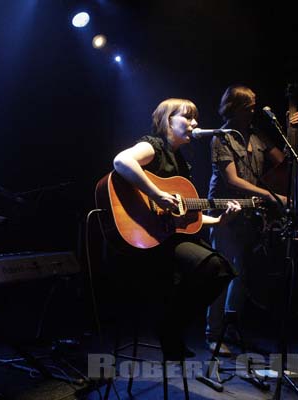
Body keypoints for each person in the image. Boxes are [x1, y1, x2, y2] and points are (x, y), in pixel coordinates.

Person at [112, 98, 241, 360]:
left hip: (169, 238)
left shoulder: (182, 164)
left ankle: (171, 326)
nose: (195, 123)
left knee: (223, 271)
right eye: (188, 117)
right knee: (212, 267)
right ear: (168, 121)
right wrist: (157, 194)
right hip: (146, 238)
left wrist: (218, 221)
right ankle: (168, 328)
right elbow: (121, 161)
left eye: (196, 118)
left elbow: (187, 217)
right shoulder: (153, 146)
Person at [205, 84, 298, 355]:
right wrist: (273, 196)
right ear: (234, 108)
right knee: (223, 272)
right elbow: (233, 180)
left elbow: (283, 162)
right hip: (223, 212)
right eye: (248, 106)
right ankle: (213, 334)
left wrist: (290, 129)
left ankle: (230, 329)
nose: (253, 110)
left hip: (249, 215)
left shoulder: (257, 136)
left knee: (241, 274)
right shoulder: (222, 138)